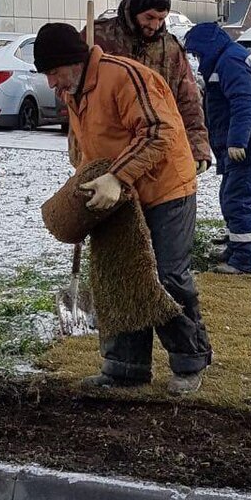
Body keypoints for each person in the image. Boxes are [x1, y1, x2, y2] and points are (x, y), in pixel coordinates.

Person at [34, 23, 211, 395]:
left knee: (164, 276)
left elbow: (158, 131)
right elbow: (90, 147)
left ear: (71, 62)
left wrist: (116, 176)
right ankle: (125, 368)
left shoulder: (125, 77)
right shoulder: (75, 92)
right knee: (118, 276)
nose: (51, 84)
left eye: (53, 72)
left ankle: (190, 360)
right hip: (118, 194)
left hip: (165, 189)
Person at [184, 23, 251, 276]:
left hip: (250, 146)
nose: (197, 59)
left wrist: (237, 141)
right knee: (229, 197)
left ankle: (243, 260)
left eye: (197, 53)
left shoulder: (229, 61)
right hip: (249, 144)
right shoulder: (229, 57)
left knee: (238, 201)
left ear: (208, 47)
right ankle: (236, 246)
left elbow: (245, 100)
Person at [89, 0, 212, 173]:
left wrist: (198, 147)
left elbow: (189, 101)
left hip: (155, 148)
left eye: (161, 19)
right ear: (135, 9)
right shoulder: (98, 37)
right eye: (149, 17)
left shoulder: (171, 49)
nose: (155, 25)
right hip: (106, 147)